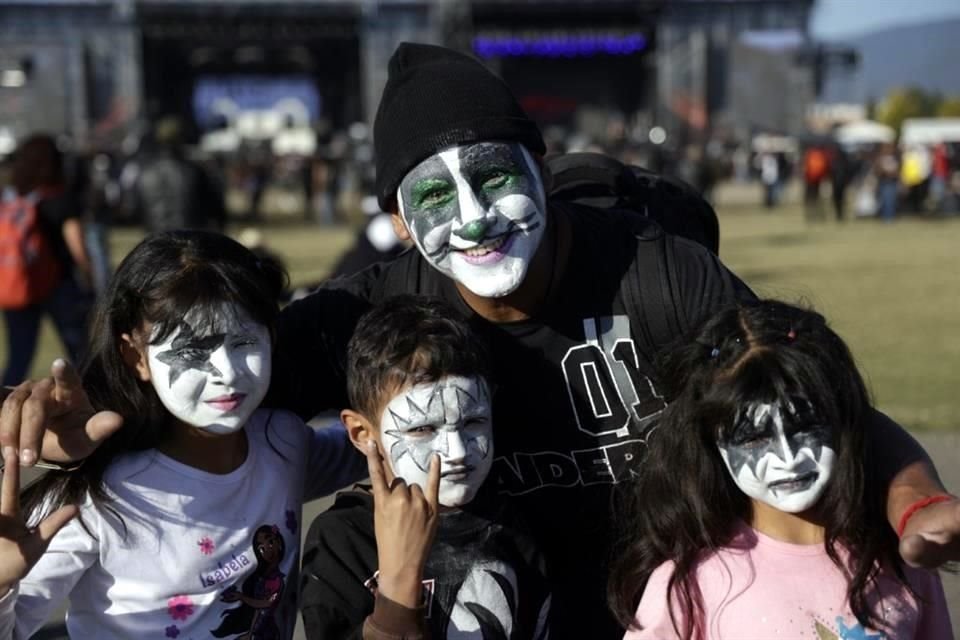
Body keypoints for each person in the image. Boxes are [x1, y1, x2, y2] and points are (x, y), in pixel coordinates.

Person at [2, 42, 959, 639]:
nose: (474, 219)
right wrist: (78, 417)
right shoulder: (374, 315)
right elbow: (199, 379)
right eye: (433, 197)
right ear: (400, 223)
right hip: (502, 598)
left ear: (539, 168)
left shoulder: (657, 273)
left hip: (676, 595)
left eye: (495, 176)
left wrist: (917, 503)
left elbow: (808, 402)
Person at [0, 230, 365, 639]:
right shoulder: (96, 496)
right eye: (191, 351)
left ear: (272, 336)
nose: (227, 373)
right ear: (135, 356)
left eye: (244, 341)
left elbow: (367, 446)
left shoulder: (283, 442)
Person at [609, 299, 952, 639]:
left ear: (841, 417)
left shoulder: (899, 560)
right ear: (711, 442)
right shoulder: (690, 582)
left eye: (804, 426)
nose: (787, 458)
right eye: (753, 438)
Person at [301, 295, 550, 639]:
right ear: (362, 433)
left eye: (474, 421)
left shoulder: (513, 520)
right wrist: (398, 587)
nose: (457, 451)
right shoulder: (343, 540)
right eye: (421, 429)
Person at [1, 134, 94, 386]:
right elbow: (77, 246)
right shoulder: (60, 199)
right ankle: (92, 402)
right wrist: (89, 276)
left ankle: (3, 408)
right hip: (59, 284)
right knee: (79, 351)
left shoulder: (10, 200)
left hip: (18, 284)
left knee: (19, 356)